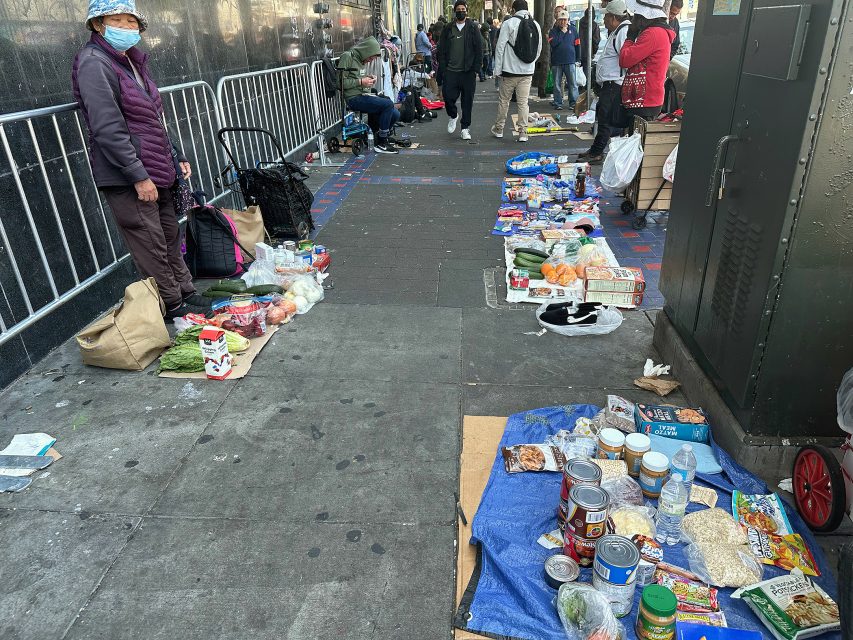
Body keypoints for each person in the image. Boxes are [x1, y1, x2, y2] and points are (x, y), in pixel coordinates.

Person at [72, 0, 208, 319]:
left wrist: (175, 155)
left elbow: (152, 118)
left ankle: (185, 291)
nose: (128, 27)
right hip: (128, 175)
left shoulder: (130, 61)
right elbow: (107, 126)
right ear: (97, 25)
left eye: (132, 22)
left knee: (167, 234)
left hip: (156, 167)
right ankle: (172, 304)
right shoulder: (93, 62)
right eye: (117, 20)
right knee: (149, 242)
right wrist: (137, 175)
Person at [579, 0, 632, 162]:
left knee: (605, 119)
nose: (603, 20)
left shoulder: (623, 31)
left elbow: (627, 59)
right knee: (604, 118)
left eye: (606, 16)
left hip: (614, 84)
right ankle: (595, 150)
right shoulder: (618, 31)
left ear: (614, 17)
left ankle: (596, 152)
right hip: (610, 84)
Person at [337, 37, 400, 154]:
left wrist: (369, 80)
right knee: (387, 105)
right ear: (365, 51)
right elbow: (339, 83)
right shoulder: (347, 57)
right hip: (353, 98)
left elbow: (359, 81)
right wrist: (361, 82)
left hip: (363, 94)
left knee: (395, 113)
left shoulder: (361, 60)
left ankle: (377, 136)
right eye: (370, 58)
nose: (370, 61)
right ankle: (382, 142)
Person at [491, 0, 542, 142]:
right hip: (527, 72)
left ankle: (499, 129)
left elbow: (500, 48)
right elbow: (538, 49)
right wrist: (530, 63)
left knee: (504, 101)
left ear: (513, 10)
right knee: (523, 102)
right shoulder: (536, 25)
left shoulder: (508, 24)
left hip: (509, 71)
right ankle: (523, 133)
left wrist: (498, 69)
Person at [620, 0, 676, 123]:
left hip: (645, 101)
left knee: (635, 140)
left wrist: (630, 37)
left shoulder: (652, 34)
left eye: (636, 16)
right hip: (648, 100)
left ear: (643, 18)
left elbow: (625, 59)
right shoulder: (657, 32)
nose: (633, 20)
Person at [437, 0, 483, 140]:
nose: (461, 11)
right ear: (455, 11)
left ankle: (465, 128)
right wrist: (443, 67)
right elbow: (441, 49)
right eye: (458, 9)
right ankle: (453, 115)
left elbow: (478, 48)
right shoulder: (448, 28)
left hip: (468, 72)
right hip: (451, 71)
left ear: (466, 11)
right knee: (448, 97)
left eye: (463, 9)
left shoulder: (473, 28)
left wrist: (476, 69)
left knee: (467, 101)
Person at [548, 10, 581, 110]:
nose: (563, 22)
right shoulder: (553, 31)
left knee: (572, 84)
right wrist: (562, 33)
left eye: (564, 20)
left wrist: (578, 59)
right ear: (557, 21)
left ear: (568, 20)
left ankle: (573, 103)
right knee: (557, 84)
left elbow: (577, 45)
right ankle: (558, 102)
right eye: (560, 20)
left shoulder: (574, 30)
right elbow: (553, 44)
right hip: (557, 61)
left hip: (570, 60)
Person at [579, 6, 601, 77]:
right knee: (587, 71)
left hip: (580, 50)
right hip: (589, 51)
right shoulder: (594, 25)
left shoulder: (581, 22)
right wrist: (594, 51)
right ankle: (585, 87)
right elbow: (596, 40)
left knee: (580, 70)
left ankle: (581, 86)